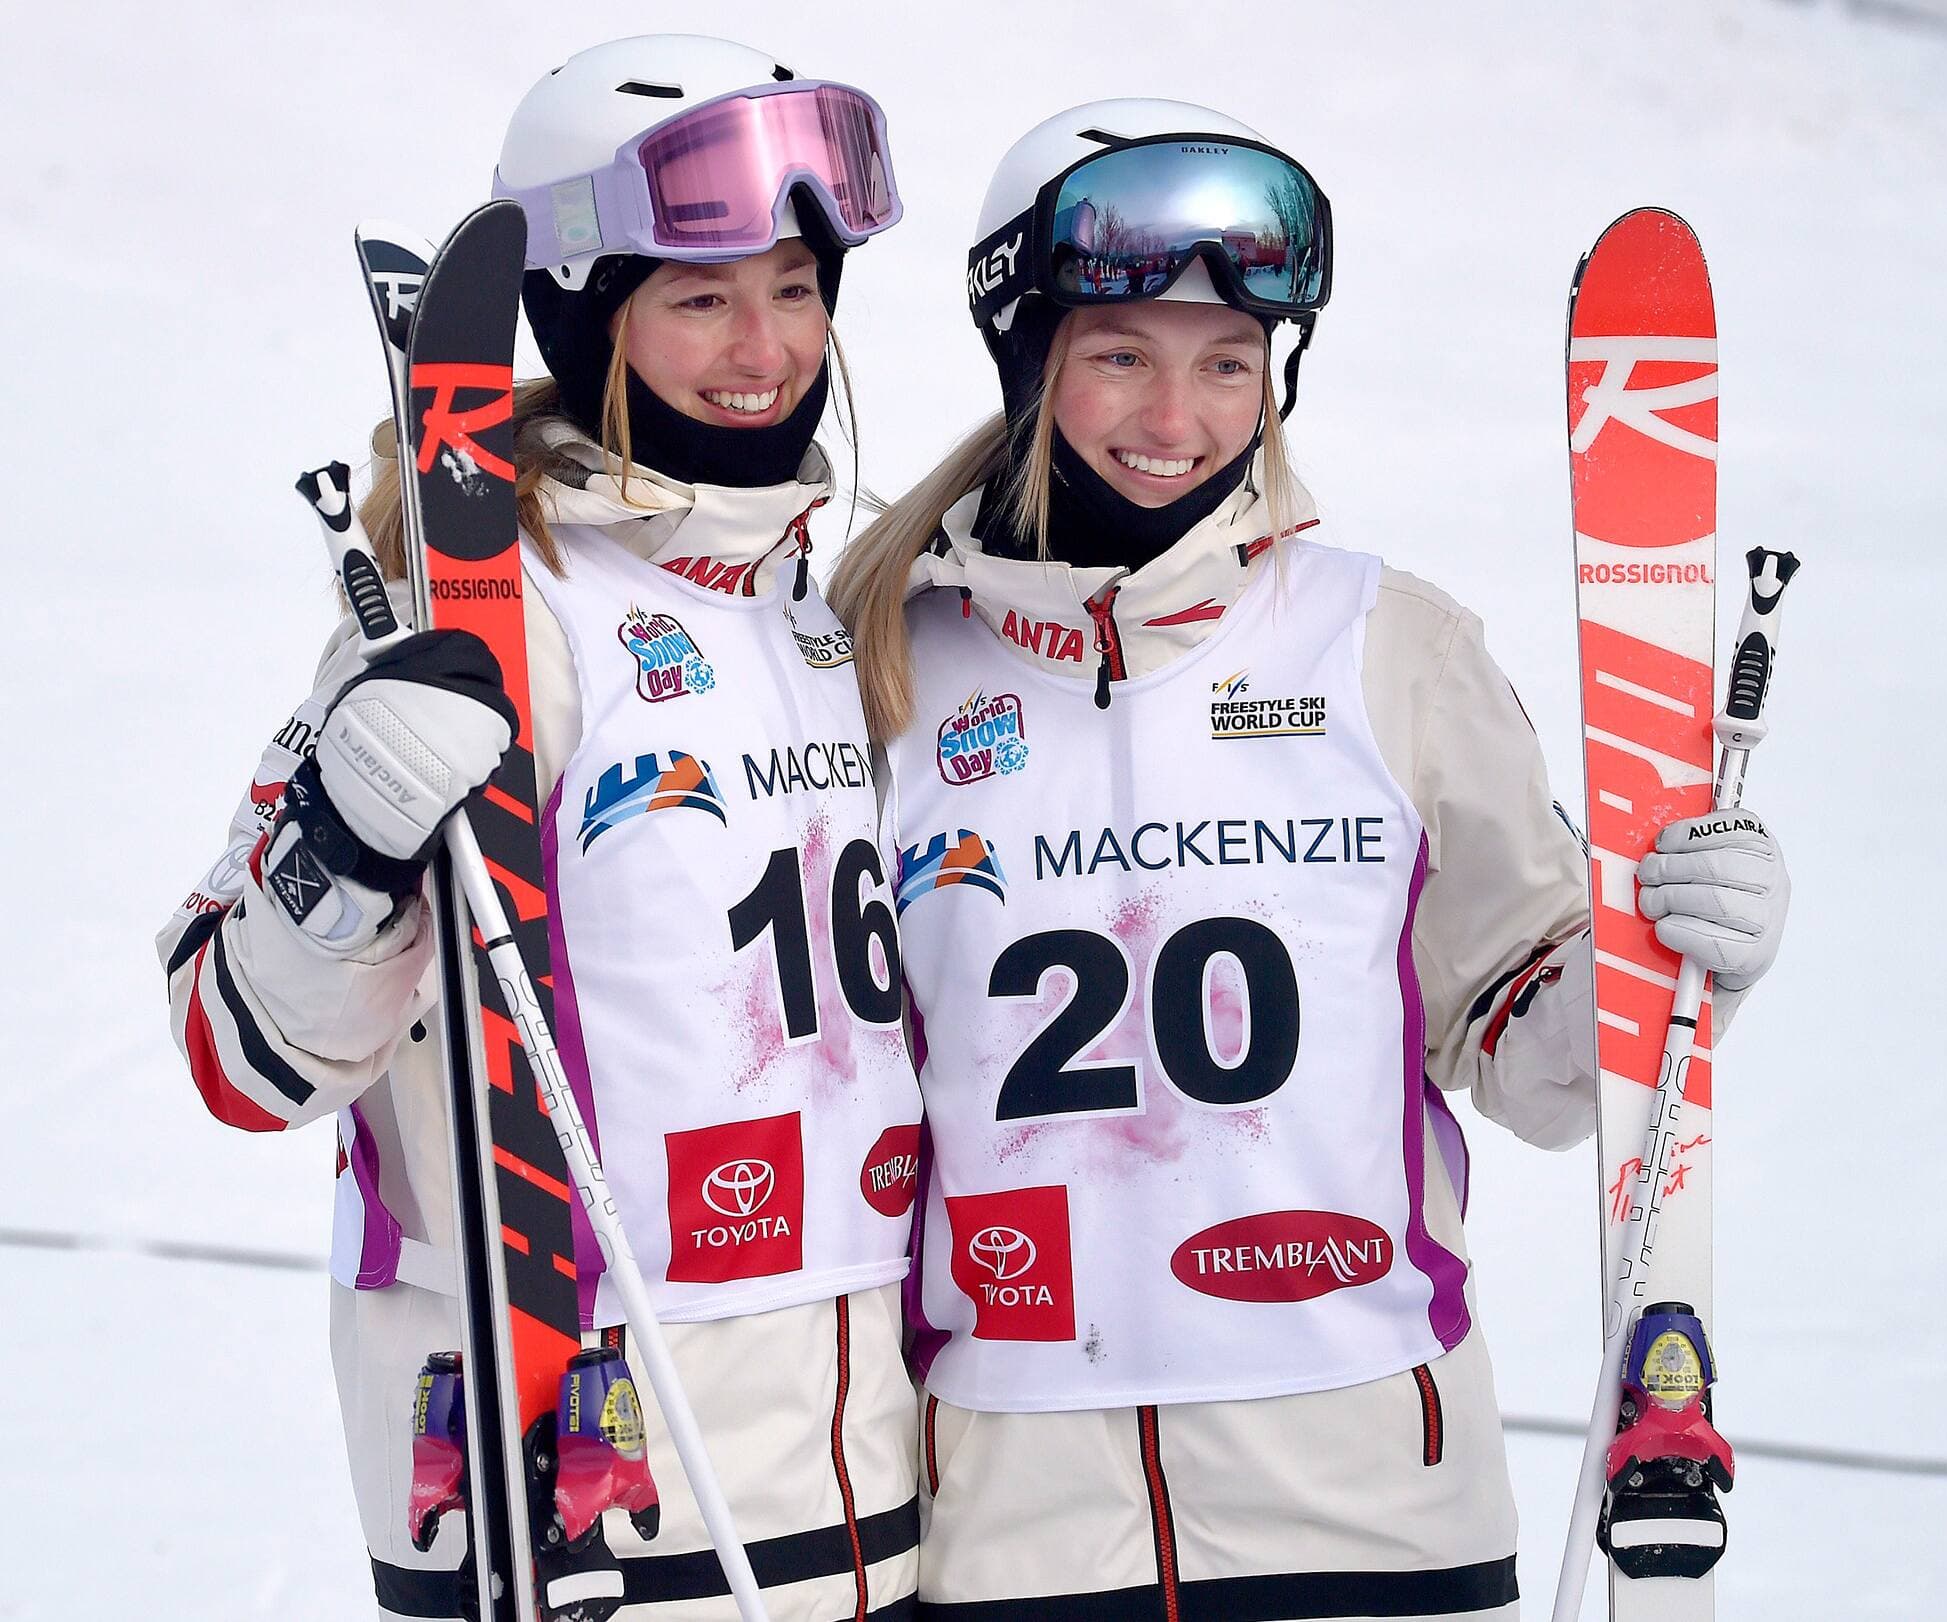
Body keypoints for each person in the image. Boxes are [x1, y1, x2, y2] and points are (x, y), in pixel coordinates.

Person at [828, 101, 1791, 1620]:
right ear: (1027, 356)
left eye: (1229, 362)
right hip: (1007, 1513)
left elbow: (1532, 1051)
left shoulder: (1386, 647)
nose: (1178, 416)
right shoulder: (887, 666)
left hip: (1369, 1507)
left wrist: (1673, 963)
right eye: (1122, 355)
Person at [160, 36, 923, 1621]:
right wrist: (347, 837)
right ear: (583, 314)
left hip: (863, 1486)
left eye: (795, 288)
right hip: (593, 1487)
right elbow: (235, 1055)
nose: (765, 349)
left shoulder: (819, 611)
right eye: (699, 299)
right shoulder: (496, 618)